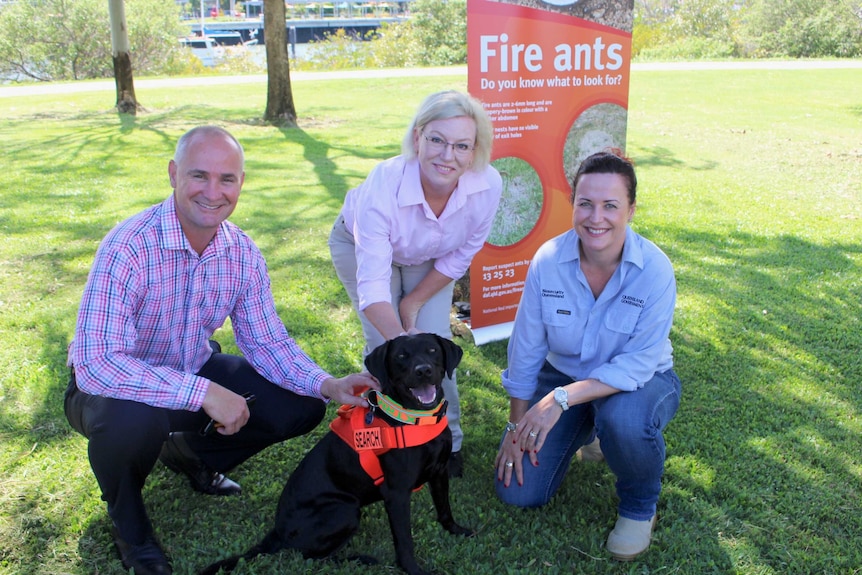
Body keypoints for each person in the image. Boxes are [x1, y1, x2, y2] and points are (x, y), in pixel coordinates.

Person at [64, 126, 377, 575]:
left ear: (241, 183)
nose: (213, 192)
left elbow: (266, 340)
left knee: (302, 403)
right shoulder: (128, 246)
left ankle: (191, 456)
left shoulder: (241, 252)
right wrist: (202, 394)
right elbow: (98, 365)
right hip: (109, 394)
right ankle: (129, 525)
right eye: (199, 176)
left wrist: (327, 383)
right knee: (135, 417)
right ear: (173, 174)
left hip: (190, 368)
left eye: (227, 179)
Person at [494, 150, 681, 561]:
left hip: (640, 382)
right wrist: (514, 427)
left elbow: (636, 365)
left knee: (624, 419)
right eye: (586, 203)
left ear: (631, 210)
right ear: (573, 204)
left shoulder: (655, 270)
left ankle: (638, 506)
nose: (597, 217)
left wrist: (560, 400)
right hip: (562, 377)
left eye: (611, 205)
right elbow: (525, 348)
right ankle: (590, 429)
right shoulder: (548, 261)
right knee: (516, 491)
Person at [328, 90, 502, 477]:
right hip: (363, 246)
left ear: (474, 152)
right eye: (436, 140)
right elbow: (374, 288)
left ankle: (447, 442)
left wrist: (412, 306)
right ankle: (393, 438)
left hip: (430, 256)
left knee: (435, 341)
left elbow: (461, 255)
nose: (447, 155)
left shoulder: (488, 185)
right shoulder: (384, 184)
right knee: (386, 349)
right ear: (417, 137)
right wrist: (400, 338)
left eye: (461, 145)